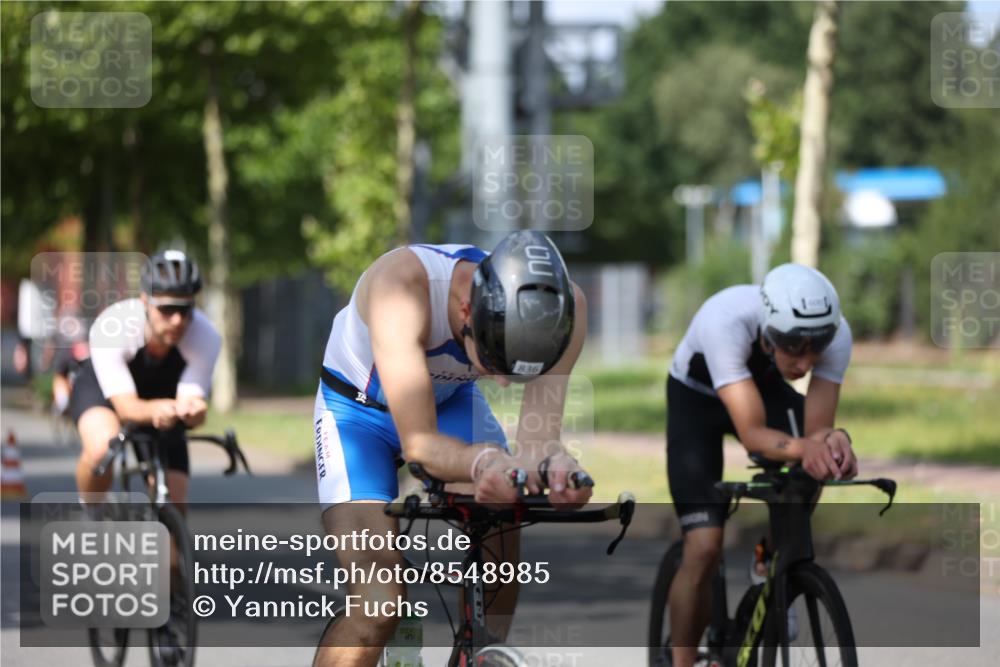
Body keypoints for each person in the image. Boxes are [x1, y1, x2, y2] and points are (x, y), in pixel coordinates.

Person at [312, 230, 591, 667]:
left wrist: (554, 470)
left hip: (452, 403)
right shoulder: (401, 289)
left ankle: (483, 652)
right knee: (379, 599)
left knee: (505, 510)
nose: (502, 382)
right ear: (467, 310)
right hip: (357, 414)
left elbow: (536, 445)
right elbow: (420, 445)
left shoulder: (562, 308)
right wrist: (482, 462)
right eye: (496, 362)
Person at [664, 263, 858, 667]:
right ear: (768, 336)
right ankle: (682, 660)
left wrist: (833, 442)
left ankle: (769, 559)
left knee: (813, 464)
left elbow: (816, 431)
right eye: (794, 348)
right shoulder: (726, 320)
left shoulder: (836, 333)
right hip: (696, 401)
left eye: (815, 348)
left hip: (763, 388)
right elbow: (752, 432)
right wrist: (805, 446)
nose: (805, 364)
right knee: (703, 547)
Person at [69, 250, 221, 510]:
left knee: (174, 500)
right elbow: (127, 408)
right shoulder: (113, 326)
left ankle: (173, 545)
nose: (177, 320)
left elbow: (191, 402)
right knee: (101, 448)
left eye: (185, 310)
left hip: (164, 396)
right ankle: (88, 507)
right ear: (144, 301)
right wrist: (156, 410)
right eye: (167, 308)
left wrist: (195, 412)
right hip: (107, 391)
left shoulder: (206, 335)